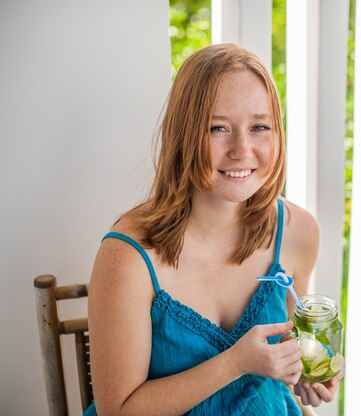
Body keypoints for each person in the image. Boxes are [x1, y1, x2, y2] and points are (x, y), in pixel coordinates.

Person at [85, 43, 341, 415]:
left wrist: (305, 371)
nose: (242, 149)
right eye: (218, 128)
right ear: (184, 135)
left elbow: (290, 345)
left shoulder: (299, 232)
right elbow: (118, 412)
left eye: (259, 127)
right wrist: (235, 363)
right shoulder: (127, 258)